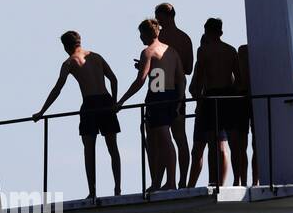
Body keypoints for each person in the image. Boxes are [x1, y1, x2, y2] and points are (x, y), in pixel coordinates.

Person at [34, 31, 122, 199]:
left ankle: (93, 192)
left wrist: (42, 112)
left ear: (66, 46)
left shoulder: (69, 62)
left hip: (90, 104)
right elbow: (114, 79)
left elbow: (57, 89)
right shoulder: (96, 57)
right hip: (106, 101)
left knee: (89, 149)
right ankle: (118, 189)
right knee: (113, 147)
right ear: (79, 42)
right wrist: (115, 103)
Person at [116, 17, 184, 193]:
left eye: (141, 34)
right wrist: (179, 100)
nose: (140, 38)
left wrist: (121, 101)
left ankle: (170, 182)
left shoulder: (148, 52)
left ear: (147, 34)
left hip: (157, 98)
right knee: (157, 141)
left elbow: (140, 81)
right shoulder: (171, 51)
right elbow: (179, 78)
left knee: (163, 140)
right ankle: (158, 182)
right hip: (170, 96)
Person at [187, 17, 238, 187]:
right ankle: (231, 181)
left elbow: (200, 78)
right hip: (228, 97)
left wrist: (200, 102)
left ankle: (213, 181)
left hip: (210, 97)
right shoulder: (231, 51)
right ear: (221, 32)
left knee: (212, 143)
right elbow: (238, 79)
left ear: (207, 31)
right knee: (225, 144)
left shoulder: (204, 51)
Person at [154, 3, 194, 186]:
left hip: (166, 87)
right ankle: (172, 181)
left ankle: (176, 181)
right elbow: (188, 69)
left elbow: (187, 69)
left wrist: (167, 66)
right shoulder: (184, 38)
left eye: (159, 17)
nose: (157, 21)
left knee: (170, 137)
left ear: (168, 16)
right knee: (172, 137)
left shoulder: (162, 37)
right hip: (174, 88)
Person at [236, 43, 258, 185]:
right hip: (254, 99)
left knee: (242, 146)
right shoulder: (244, 51)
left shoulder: (242, 51)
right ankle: (253, 181)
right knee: (254, 145)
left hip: (243, 98)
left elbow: (237, 79)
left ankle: (244, 181)